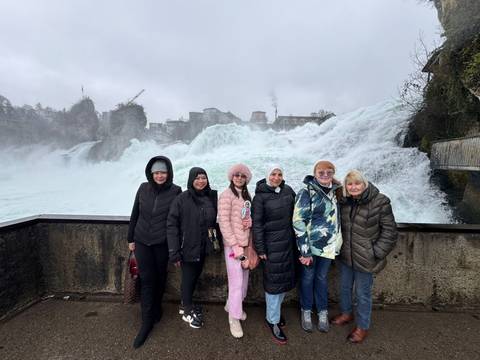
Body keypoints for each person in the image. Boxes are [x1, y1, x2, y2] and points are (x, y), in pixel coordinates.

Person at [331, 170, 398, 343]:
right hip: (346, 255)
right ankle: (346, 313)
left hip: (366, 258)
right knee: (344, 288)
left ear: (364, 184)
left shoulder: (380, 202)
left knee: (362, 294)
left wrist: (375, 253)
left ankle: (362, 326)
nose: (353, 187)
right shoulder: (344, 201)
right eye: (350, 184)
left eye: (357, 183)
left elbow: (390, 232)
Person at [127, 156, 182, 349]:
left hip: (162, 243)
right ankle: (146, 323)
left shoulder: (176, 191)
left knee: (160, 277)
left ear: (169, 174)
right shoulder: (143, 188)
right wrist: (130, 239)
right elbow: (135, 213)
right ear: (151, 173)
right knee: (148, 280)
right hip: (142, 241)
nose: (160, 176)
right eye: (156, 173)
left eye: (163, 172)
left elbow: (176, 221)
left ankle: (157, 308)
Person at [293, 160, 343, 333]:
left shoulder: (337, 192)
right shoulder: (306, 192)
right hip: (311, 247)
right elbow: (299, 222)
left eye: (329, 172)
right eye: (321, 172)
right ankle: (306, 310)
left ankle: (322, 311)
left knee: (321, 279)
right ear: (315, 174)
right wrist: (304, 251)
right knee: (307, 278)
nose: (325, 175)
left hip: (328, 247)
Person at [167, 167, 220, 329]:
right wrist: (174, 252)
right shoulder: (182, 198)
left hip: (203, 247)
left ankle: (186, 304)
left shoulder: (210, 196)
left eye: (203, 177)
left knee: (194, 276)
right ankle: (187, 311)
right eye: (197, 178)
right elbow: (171, 225)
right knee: (188, 279)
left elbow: (212, 220)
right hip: (187, 248)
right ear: (191, 180)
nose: (201, 181)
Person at [252, 165, 297, 345]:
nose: (276, 177)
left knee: (283, 281)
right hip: (271, 247)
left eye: (279, 174)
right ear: (267, 175)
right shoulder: (260, 197)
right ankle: (272, 321)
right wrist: (261, 249)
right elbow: (257, 225)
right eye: (273, 174)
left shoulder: (288, 191)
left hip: (288, 245)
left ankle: (275, 313)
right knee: (273, 284)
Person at [218, 164, 253, 339]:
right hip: (233, 247)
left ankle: (231, 306)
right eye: (236, 175)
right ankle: (234, 317)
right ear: (231, 177)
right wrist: (235, 246)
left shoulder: (246, 195)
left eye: (243, 176)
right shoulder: (226, 195)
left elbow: (244, 217)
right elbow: (224, 224)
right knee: (236, 283)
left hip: (245, 244)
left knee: (244, 282)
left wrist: (249, 222)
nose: (239, 177)